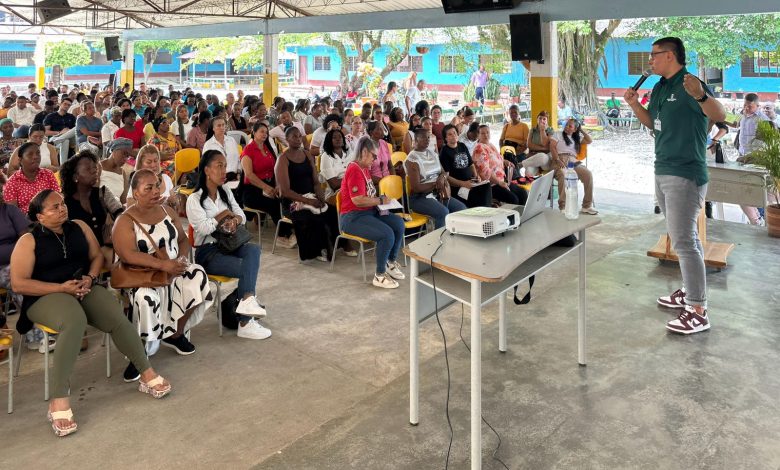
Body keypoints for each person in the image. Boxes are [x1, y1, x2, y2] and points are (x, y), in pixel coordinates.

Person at [10, 189, 171, 437]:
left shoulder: (79, 227)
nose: (62, 209)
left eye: (62, 203)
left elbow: (97, 257)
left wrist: (90, 277)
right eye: (54, 207)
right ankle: (58, 399)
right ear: (39, 217)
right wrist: (60, 288)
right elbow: (19, 283)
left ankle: (145, 371)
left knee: (114, 314)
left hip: (82, 287)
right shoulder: (29, 241)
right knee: (74, 321)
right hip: (45, 295)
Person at [624, 36, 726, 334]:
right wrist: (633, 105)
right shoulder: (659, 87)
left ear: (670, 56)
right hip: (662, 168)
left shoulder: (690, 83)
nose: (650, 61)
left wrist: (702, 97)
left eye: (654, 55)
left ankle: (697, 308)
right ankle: (688, 289)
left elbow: (719, 116)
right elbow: (651, 122)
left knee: (685, 242)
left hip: (686, 172)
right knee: (680, 237)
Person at [113, 169, 212, 358]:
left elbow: (183, 240)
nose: (155, 191)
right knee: (145, 297)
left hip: (172, 269)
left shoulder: (168, 211)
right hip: (144, 277)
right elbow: (127, 255)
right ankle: (140, 352)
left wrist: (181, 260)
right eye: (148, 188)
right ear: (135, 193)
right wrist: (163, 266)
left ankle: (175, 334)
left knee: (197, 275)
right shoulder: (125, 220)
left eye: (157, 186)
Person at [187, 150, 272, 340]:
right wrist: (223, 215)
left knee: (254, 249)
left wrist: (234, 220)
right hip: (208, 252)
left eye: (225, 165)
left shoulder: (225, 191)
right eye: (219, 166)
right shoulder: (194, 199)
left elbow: (240, 214)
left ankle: (246, 302)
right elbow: (203, 228)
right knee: (246, 268)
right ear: (207, 170)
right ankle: (245, 320)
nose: (224, 170)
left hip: (231, 243)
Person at [339, 136, 406, 288]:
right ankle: (380, 275)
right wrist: (380, 201)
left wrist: (379, 199)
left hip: (367, 212)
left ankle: (389, 262)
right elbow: (358, 200)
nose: (375, 160)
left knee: (398, 224)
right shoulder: (354, 169)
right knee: (386, 234)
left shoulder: (364, 168)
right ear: (364, 152)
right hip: (352, 217)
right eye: (373, 156)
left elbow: (368, 195)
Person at [275, 126, 337, 263]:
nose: (298, 139)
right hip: (292, 202)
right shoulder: (283, 160)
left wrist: (320, 197)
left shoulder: (307, 154)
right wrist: (308, 202)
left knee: (332, 212)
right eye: (294, 137)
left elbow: (315, 182)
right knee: (309, 217)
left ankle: (332, 245)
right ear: (287, 140)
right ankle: (316, 250)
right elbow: (285, 191)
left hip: (310, 197)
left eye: (299, 136)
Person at [59, 150, 123, 269]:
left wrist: (117, 225)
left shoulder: (102, 193)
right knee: (116, 260)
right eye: (88, 169)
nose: (94, 171)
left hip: (108, 244)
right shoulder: (64, 203)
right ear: (75, 177)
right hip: (81, 252)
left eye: (95, 168)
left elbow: (119, 212)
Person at [240, 121, 295, 248]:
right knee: (275, 204)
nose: (265, 134)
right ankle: (282, 236)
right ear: (254, 132)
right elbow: (249, 175)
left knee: (287, 198)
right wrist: (266, 187)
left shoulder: (267, 147)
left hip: (269, 186)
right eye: (261, 132)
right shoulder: (248, 150)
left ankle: (292, 229)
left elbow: (274, 170)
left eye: (266, 132)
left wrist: (277, 185)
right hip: (252, 191)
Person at [405, 128, 466, 228]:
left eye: (428, 137)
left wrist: (442, 178)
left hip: (438, 193)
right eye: (424, 137)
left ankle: (457, 235)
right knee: (443, 213)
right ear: (415, 140)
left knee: (461, 208)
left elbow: (444, 173)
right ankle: (439, 240)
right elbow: (417, 188)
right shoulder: (412, 159)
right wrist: (437, 184)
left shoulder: (432, 153)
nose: (428, 140)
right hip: (420, 198)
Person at [732, 93, 770, 225]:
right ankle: (756, 219)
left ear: (757, 106)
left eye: (750, 106)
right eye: (745, 105)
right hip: (742, 157)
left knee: (754, 192)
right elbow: (735, 126)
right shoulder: (743, 116)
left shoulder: (762, 120)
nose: (746, 108)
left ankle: (760, 219)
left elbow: (763, 144)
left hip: (755, 160)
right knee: (741, 190)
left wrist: (751, 157)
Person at [550, 118, 597, 215]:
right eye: (566, 125)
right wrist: (557, 160)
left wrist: (581, 130)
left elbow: (589, 140)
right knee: (564, 175)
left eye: (570, 126)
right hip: (559, 159)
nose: (567, 127)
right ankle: (563, 206)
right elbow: (552, 147)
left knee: (588, 174)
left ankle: (586, 206)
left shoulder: (577, 138)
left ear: (575, 129)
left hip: (573, 161)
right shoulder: (558, 134)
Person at [472, 125, 528, 205]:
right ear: (478, 135)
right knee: (513, 199)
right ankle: (511, 217)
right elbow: (485, 172)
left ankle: (520, 217)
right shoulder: (479, 148)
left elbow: (497, 158)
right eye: (483, 133)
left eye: (487, 132)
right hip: (491, 185)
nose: (486, 135)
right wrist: (499, 182)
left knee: (522, 193)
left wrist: (505, 161)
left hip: (502, 180)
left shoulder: (490, 145)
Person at [439, 124, 492, 208]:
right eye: (450, 134)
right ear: (445, 138)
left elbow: (471, 164)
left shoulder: (462, 146)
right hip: (458, 187)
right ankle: (483, 212)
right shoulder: (444, 152)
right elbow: (446, 177)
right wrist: (463, 183)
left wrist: (476, 176)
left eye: (454, 133)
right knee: (477, 198)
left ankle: (486, 210)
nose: (453, 135)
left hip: (470, 182)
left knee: (486, 186)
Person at [3, 141, 60, 214]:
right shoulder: (12, 182)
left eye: (38, 153)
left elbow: (58, 198)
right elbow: (13, 213)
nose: (35, 157)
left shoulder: (48, 174)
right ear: (20, 160)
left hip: (51, 216)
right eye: (30, 154)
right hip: (26, 221)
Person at [203, 115, 241, 181]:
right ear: (213, 128)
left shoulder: (231, 140)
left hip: (235, 177)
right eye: (219, 125)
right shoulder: (208, 144)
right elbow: (206, 165)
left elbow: (238, 159)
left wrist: (239, 173)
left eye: (223, 125)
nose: (222, 127)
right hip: (217, 179)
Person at [319, 128, 352, 202]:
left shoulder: (349, 153)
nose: (338, 139)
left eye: (340, 137)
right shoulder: (326, 156)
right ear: (329, 141)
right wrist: (353, 179)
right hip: (336, 193)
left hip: (352, 186)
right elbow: (334, 184)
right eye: (334, 137)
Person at [522, 111, 555, 176]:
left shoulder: (550, 130)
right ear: (537, 119)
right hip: (534, 158)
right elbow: (529, 145)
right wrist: (543, 149)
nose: (541, 120)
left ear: (547, 121)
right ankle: (533, 185)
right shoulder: (533, 130)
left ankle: (521, 165)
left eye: (544, 119)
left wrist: (542, 130)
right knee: (528, 172)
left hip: (545, 160)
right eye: (540, 118)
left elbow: (546, 144)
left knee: (542, 157)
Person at [100, 138, 132, 204]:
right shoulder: (98, 167)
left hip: (117, 210)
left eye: (127, 156)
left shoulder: (122, 173)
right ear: (114, 150)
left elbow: (123, 201)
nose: (125, 159)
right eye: (124, 153)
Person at [366, 120, 394, 185]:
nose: (382, 131)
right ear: (371, 132)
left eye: (382, 128)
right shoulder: (366, 147)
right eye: (379, 128)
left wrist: (393, 179)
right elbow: (367, 175)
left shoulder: (383, 143)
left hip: (388, 180)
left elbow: (390, 166)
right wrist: (384, 182)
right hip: (375, 183)